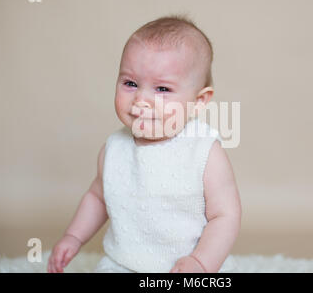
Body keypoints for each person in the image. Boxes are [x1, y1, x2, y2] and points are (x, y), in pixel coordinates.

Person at [47, 15, 241, 273]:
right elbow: (97, 198)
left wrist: (201, 262)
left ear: (199, 101)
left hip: (192, 265)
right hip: (123, 264)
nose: (142, 99)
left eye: (162, 89)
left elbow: (225, 216)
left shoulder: (204, 151)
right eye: (130, 84)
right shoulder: (114, 149)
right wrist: (74, 237)